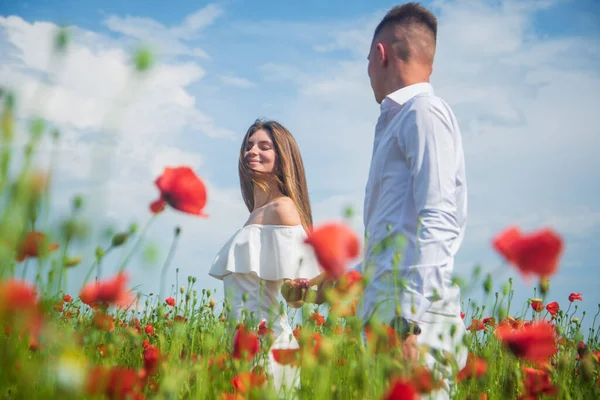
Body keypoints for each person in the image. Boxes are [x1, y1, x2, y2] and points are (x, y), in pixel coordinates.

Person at [288, 3, 469, 398]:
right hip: (389, 320)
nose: (368, 72)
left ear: (380, 55)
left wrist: (410, 323)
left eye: (367, 61)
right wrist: (335, 283)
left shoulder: (424, 112)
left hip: (412, 325)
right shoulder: (399, 121)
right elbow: (392, 244)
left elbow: (438, 217)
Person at [209, 119, 321, 396]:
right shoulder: (255, 215)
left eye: (263, 146)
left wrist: (303, 289)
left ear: (281, 157)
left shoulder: (282, 208)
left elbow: (296, 297)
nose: (251, 151)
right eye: (248, 146)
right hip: (243, 343)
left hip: (268, 345)